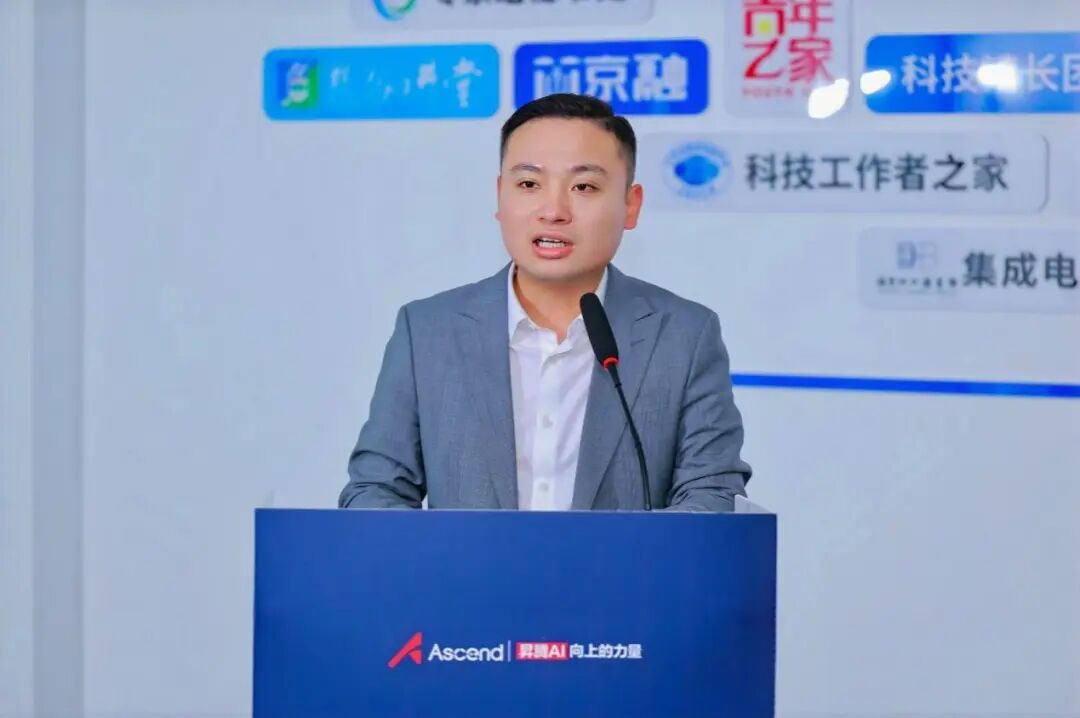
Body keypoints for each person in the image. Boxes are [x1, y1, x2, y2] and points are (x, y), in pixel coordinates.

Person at [338, 93, 751, 512]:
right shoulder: (427, 331)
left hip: (623, 561)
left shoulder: (683, 335)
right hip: (460, 561)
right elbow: (373, 491)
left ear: (631, 205)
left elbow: (712, 494)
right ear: (500, 196)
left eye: (583, 186)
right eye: (529, 184)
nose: (553, 211)